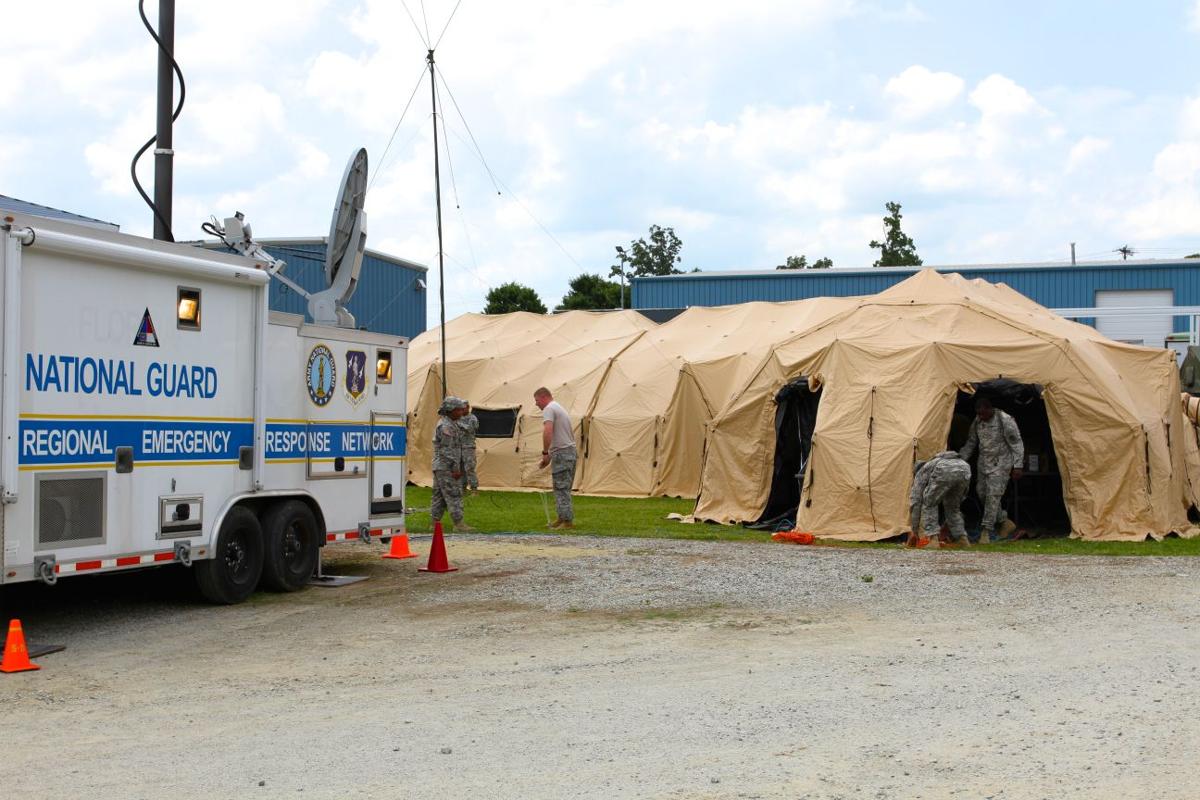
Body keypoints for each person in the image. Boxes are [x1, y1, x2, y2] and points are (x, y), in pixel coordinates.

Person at [958, 396, 1024, 543]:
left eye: (983, 413)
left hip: (1001, 463)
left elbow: (1016, 443)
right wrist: (960, 459)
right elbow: (971, 442)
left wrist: (1018, 465)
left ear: (989, 409)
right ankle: (1004, 521)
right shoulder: (978, 421)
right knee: (982, 493)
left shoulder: (1004, 420)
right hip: (984, 464)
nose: (981, 416)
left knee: (993, 496)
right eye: (978, 413)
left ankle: (986, 531)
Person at [908, 450, 972, 547]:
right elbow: (963, 495)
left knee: (929, 503)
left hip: (944, 469)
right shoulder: (934, 463)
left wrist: (914, 531)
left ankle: (933, 539)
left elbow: (915, 502)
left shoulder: (921, 472)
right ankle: (962, 539)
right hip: (964, 467)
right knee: (953, 508)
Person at [534, 387, 576, 529]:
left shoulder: (549, 409)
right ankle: (561, 517)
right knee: (562, 487)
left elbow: (548, 431)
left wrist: (545, 453)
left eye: (537, 400)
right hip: (568, 452)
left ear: (544, 397)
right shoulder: (558, 407)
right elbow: (561, 437)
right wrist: (549, 457)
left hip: (562, 454)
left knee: (561, 488)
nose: (536, 404)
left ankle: (567, 522)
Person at [431, 396, 475, 533]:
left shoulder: (450, 423)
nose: (462, 412)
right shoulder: (446, 426)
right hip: (447, 467)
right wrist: (455, 469)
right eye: (459, 410)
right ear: (451, 410)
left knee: (439, 495)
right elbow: (447, 450)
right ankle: (459, 523)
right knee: (454, 493)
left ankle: (434, 523)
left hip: (441, 466)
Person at [458, 401, 480, 493]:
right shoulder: (458, 418)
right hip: (459, 447)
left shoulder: (472, 418)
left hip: (468, 447)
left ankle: (474, 489)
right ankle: (462, 488)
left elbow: (470, 429)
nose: (462, 410)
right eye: (460, 409)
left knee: (469, 468)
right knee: (460, 468)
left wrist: (459, 424)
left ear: (468, 407)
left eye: (463, 408)